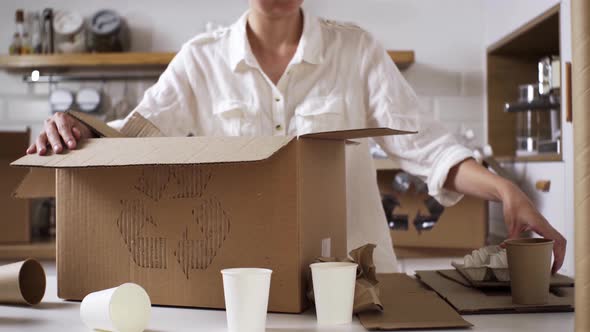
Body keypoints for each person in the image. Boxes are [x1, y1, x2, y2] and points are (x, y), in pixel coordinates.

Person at [27, 0, 566, 273]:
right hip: (245, 285)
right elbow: (133, 136)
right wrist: (78, 129)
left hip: (361, 283)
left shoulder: (355, 51)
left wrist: (505, 191)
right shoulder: (201, 60)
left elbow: (428, 145)